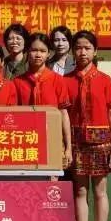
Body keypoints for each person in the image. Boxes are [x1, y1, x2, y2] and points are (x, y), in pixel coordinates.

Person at [62, 30, 111, 221]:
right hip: (77, 142)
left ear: (95, 51)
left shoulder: (105, 80)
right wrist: (66, 146)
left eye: (87, 48)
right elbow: (64, 115)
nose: (82, 52)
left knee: (100, 191)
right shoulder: (66, 80)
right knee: (80, 191)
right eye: (78, 48)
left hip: (101, 143)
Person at [13, 32, 72, 162]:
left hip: (53, 140)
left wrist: (68, 147)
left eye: (43, 51)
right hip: (26, 140)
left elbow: (63, 114)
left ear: (49, 53)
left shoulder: (57, 80)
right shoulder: (17, 82)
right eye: (34, 50)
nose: (38, 55)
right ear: (27, 52)